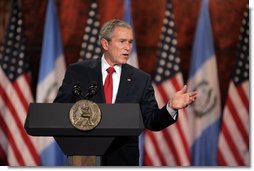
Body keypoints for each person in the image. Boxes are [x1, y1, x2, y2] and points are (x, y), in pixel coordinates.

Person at [54, 19, 197, 166]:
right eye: (122, 41)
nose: (127, 47)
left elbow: (152, 121)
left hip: (123, 161)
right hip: (85, 158)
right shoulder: (79, 72)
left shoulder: (141, 79)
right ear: (105, 44)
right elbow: (59, 110)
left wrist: (171, 107)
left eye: (130, 42)